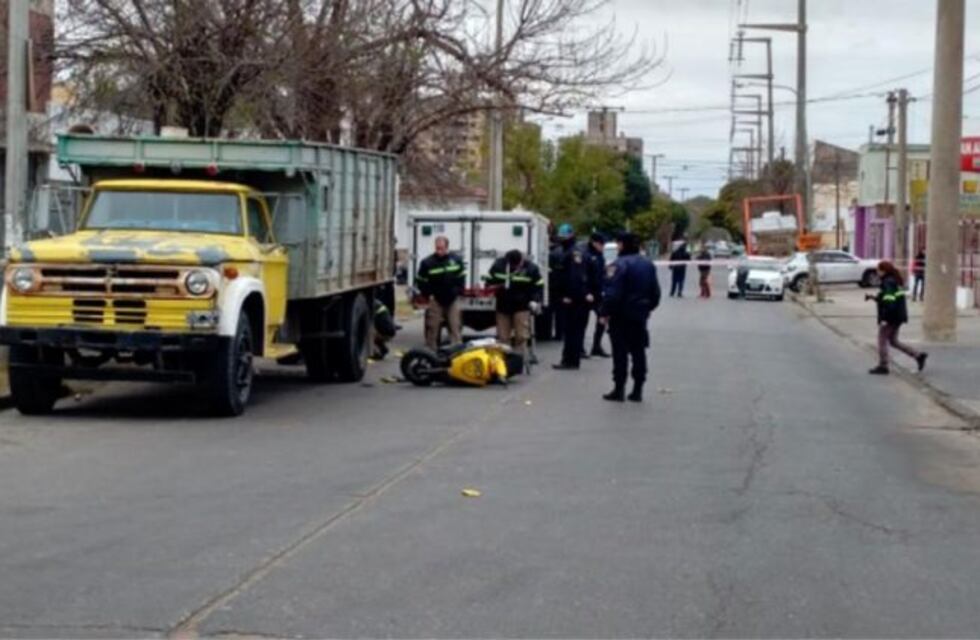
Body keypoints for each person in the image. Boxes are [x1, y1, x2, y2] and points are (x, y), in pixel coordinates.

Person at [599, 232, 661, 402]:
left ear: (622, 245)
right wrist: (647, 308)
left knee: (620, 353)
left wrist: (604, 313)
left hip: (621, 315)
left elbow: (612, 294)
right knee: (638, 352)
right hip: (639, 315)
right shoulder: (648, 265)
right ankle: (638, 389)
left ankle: (619, 389)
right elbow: (655, 293)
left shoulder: (618, 265)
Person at [868, 260, 928, 375]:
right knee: (893, 341)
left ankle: (883, 365)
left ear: (883, 271)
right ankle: (918, 355)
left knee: (882, 340)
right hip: (898, 316)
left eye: (878, 270)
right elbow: (890, 299)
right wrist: (875, 298)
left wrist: (885, 318)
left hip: (891, 317)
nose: (877, 272)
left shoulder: (888, 282)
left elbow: (890, 302)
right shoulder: (894, 281)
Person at [486, 249, 544, 364]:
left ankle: (518, 361)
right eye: (512, 265)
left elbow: (538, 286)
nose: (515, 266)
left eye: (517, 264)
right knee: (503, 337)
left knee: (521, 336)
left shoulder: (531, 268)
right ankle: (504, 361)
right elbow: (489, 281)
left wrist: (535, 300)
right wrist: (492, 289)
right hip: (503, 305)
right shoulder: (499, 265)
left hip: (522, 306)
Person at [552, 225, 593, 370]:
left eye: (563, 237)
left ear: (570, 236)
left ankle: (570, 360)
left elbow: (576, 277)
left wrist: (568, 296)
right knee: (571, 331)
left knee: (573, 331)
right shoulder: (568, 251)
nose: (561, 240)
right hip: (574, 298)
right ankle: (569, 359)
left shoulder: (575, 252)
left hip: (574, 300)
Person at [416, 235, 465, 349]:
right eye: (437, 248)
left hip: (452, 299)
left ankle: (456, 350)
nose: (439, 251)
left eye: (441, 248)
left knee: (455, 326)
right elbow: (420, 280)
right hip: (436, 299)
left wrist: (458, 291)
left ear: (447, 247)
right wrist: (428, 294)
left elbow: (461, 277)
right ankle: (430, 351)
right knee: (432, 326)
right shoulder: (427, 262)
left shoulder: (456, 260)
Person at [584, 232, 610, 357]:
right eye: (601, 244)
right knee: (582, 322)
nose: (603, 246)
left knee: (602, 318)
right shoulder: (586, 254)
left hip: (598, 293)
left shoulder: (600, 255)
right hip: (587, 293)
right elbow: (582, 275)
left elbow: (602, 274)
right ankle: (580, 348)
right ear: (594, 243)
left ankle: (596, 345)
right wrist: (586, 292)